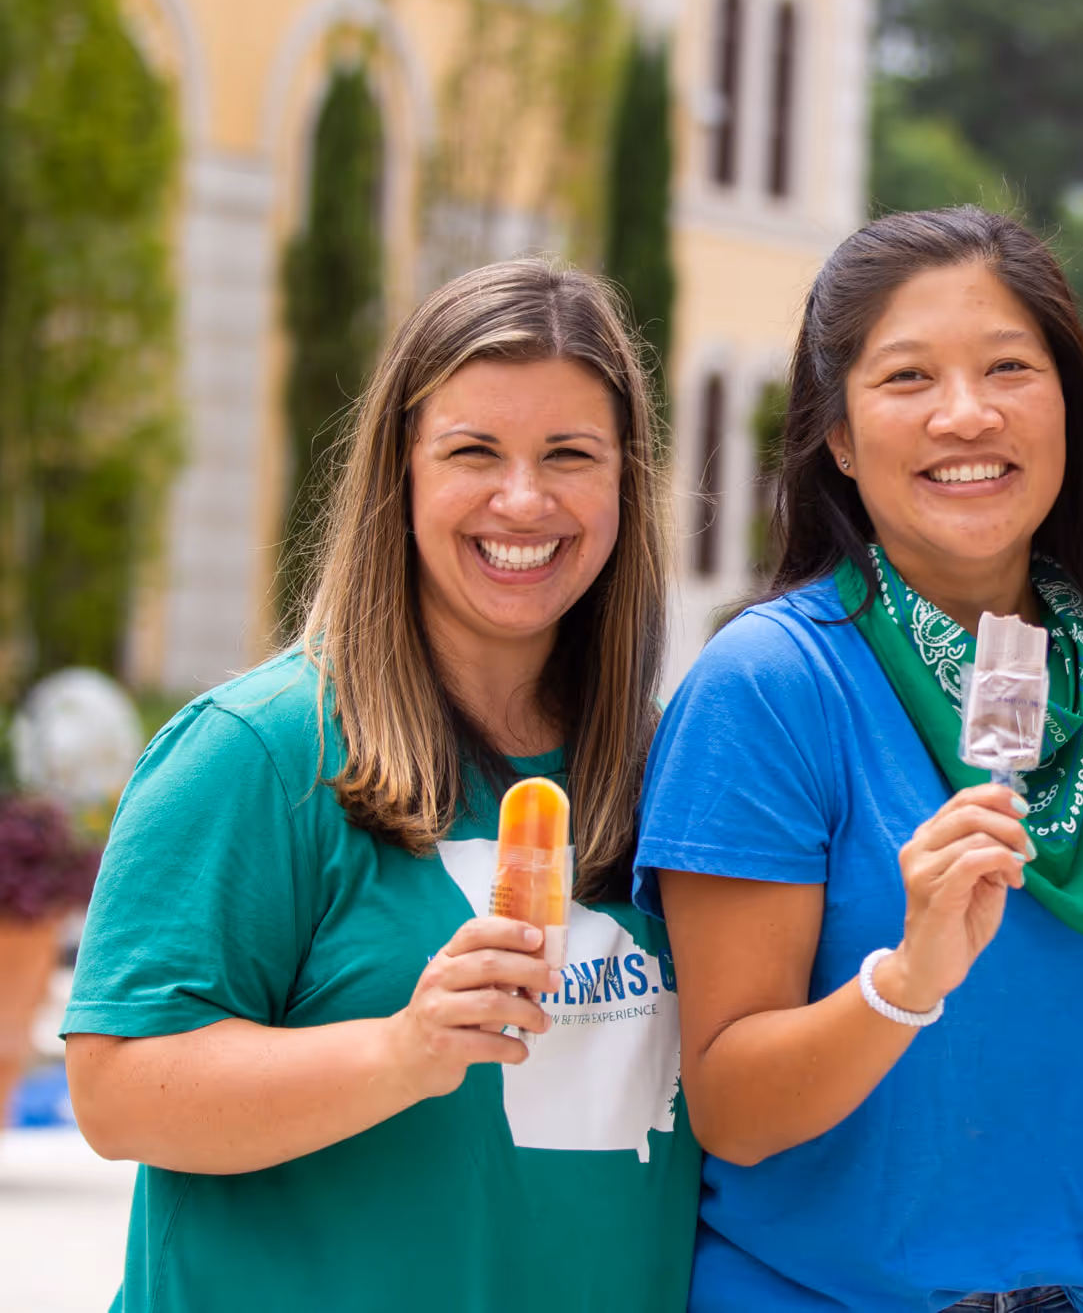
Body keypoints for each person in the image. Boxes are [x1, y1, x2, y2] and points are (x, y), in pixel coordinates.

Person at [63, 259, 698, 1312]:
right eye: (473, 452)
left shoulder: (670, 770)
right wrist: (402, 1049)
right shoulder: (257, 754)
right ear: (399, 475)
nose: (523, 498)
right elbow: (117, 1090)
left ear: (626, 482)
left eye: (569, 455)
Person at [636, 206, 1083, 1312]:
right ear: (839, 436)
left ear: (1070, 412)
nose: (965, 414)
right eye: (906, 378)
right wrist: (904, 981)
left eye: (1008, 368)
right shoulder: (768, 689)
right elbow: (731, 1104)